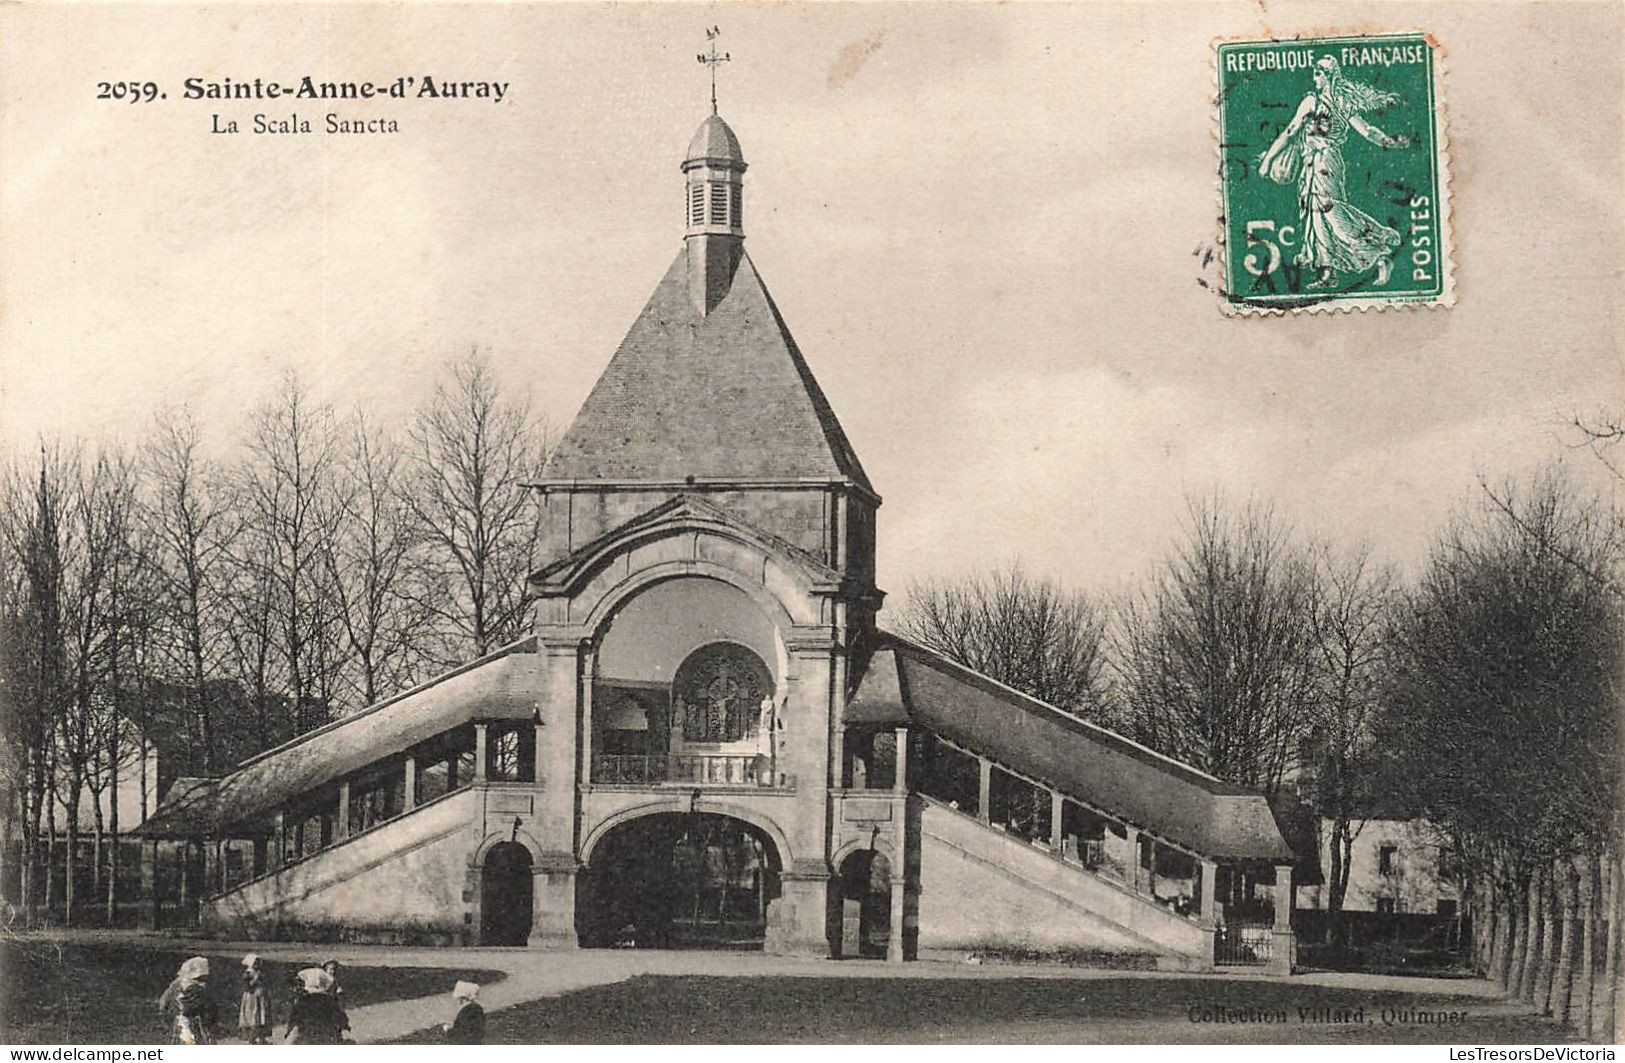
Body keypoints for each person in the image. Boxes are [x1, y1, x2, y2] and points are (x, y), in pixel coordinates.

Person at [1257, 55, 1410, 289]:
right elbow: (1290, 131)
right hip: (1312, 164)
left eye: (1318, 73)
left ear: (1329, 76)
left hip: (1326, 163)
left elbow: (1366, 130)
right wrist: (1269, 159)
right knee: (1315, 216)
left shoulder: (1337, 102)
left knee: (1329, 213)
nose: (1314, 78)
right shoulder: (1312, 101)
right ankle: (1327, 272)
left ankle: (1377, 254)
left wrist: (1388, 141)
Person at [157, 956, 216, 1045]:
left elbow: (164, 1000)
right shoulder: (199, 988)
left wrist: (164, 1011)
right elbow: (209, 1007)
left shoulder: (178, 983)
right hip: (195, 1021)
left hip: (181, 1020)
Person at [284, 968, 347, 1044]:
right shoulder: (328, 1000)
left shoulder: (304, 1001)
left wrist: (290, 1032)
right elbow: (340, 1016)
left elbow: (294, 1019)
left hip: (309, 1033)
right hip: (324, 1033)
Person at [238, 955, 272, 1044]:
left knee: (262, 1016)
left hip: (261, 997)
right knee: (254, 1017)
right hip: (252, 998)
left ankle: (262, 1038)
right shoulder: (248, 973)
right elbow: (247, 987)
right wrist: (255, 980)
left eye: (258, 962)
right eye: (255, 963)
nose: (257, 964)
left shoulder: (260, 972)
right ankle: (252, 1038)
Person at [320, 959, 352, 1040]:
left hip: (332, 1001)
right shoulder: (323, 979)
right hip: (323, 1001)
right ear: (325, 970)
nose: (332, 971)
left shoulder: (334, 979)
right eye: (330, 969)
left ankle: (339, 1032)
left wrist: (339, 990)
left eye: (334, 969)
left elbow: (337, 988)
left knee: (339, 1014)